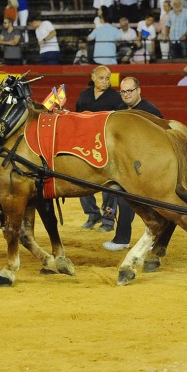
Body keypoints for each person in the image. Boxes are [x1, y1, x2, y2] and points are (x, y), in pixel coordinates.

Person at [103, 76, 164, 251]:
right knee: (124, 200)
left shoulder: (150, 111)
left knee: (156, 204)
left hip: (147, 166)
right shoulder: (120, 110)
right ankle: (122, 238)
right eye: (123, 91)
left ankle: (155, 239)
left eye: (129, 91)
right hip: (127, 166)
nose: (126, 94)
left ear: (138, 90)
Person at [76, 66, 122, 233]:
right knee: (81, 179)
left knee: (109, 182)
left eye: (107, 78)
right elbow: (78, 117)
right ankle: (92, 214)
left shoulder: (115, 97)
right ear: (93, 77)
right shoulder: (85, 95)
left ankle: (108, 219)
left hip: (107, 144)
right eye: (102, 78)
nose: (105, 81)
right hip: (85, 144)